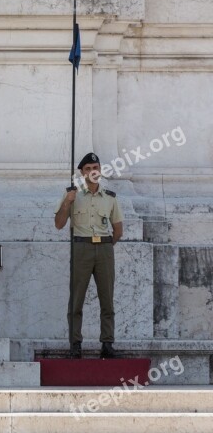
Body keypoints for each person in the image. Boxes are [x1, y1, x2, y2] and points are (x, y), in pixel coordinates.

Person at [54, 152, 123, 359]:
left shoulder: (110, 198)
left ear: (100, 170)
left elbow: (118, 230)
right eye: (88, 169)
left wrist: (105, 246)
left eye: (96, 168)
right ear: (82, 173)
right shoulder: (72, 194)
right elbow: (59, 224)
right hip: (81, 248)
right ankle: (75, 344)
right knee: (76, 300)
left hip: (104, 249)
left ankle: (107, 344)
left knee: (107, 299)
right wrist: (68, 202)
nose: (93, 172)